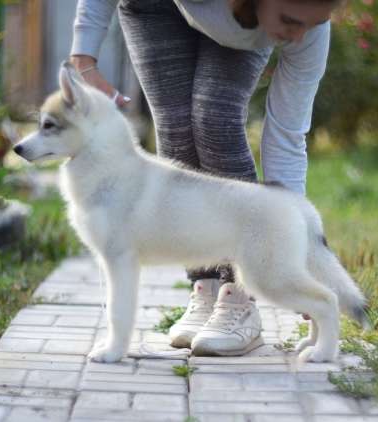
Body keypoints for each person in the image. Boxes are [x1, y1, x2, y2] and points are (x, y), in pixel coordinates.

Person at [70, 0, 338, 356]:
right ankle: (206, 284)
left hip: (237, 17)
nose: (297, 36)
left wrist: (294, 252)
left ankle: (239, 293)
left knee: (214, 117)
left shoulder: (307, 28)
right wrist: (84, 56)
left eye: (311, 23)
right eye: (290, 20)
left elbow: (286, 138)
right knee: (175, 128)